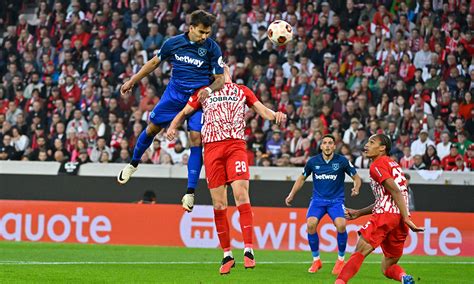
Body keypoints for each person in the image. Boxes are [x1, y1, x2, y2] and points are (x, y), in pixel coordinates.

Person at [166, 65, 286, 274]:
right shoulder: (202, 92)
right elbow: (184, 112)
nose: (221, 71)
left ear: (229, 72)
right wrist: (172, 126)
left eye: (224, 68)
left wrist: (276, 115)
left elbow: (262, 110)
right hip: (211, 149)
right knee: (219, 203)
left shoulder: (241, 90)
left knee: (241, 194)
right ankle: (227, 254)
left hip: (235, 146)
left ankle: (248, 250)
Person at [117, 10, 225, 213]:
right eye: (202, 32)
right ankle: (133, 163)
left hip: (198, 98)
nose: (205, 36)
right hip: (174, 95)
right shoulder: (172, 43)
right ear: (191, 27)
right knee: (152, 128)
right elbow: (154, 63)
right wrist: (133, 80)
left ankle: (190, 192)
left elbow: (220, 78)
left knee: (196, 139)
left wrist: (209, 90)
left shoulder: (212, 48)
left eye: (208, 32)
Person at [336, 134, 424, 284]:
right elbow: (387, 198)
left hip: (388, 216)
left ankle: (339, 282)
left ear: (382, 148)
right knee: (387, 266)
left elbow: (395, 191)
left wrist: (407, 218)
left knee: (359, 252)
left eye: (372, 142)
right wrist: (359, 213)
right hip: (399, 220)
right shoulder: (393, 165)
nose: (367, 145)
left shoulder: (377, 165)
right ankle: (404, 278)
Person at [285, 134, 362, 275]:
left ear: (334, 146)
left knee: (341, 225)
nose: (327, 145)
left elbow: (356, 177)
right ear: (321, 146)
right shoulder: (313, 162)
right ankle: (316, 261)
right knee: (310, 225)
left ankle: (340, 260)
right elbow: (301, 178)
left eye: (330, 143)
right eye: (325, 143)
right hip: (318, 201)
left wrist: (356, 187)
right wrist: (291, 194)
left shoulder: (342, 161)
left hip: (336, 201)